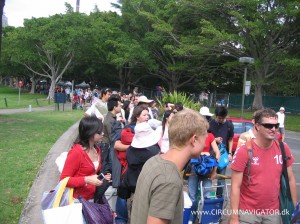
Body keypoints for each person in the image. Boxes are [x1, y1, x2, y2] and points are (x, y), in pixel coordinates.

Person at [131, 109, 208, 224]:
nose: (205, 144)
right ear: (194, 140)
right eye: (204, 139)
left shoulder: (154, 161)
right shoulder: (169, 180)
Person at [230, 108, 297, 224]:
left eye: (276, 126)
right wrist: (234, 218)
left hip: (273, 214)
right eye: (268, 126)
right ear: (257, 126)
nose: (273, 129)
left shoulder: (283, 148)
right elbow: (235, 186)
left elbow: (291, 180)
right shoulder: (244, 150)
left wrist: (295, 212)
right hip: (247, 213)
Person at [60, 116, 111, 201]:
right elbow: (63, 180)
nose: (102, 134)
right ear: (90, 133)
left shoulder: (97, 149)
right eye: (99, 132)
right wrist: (86, 179)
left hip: (92, 197)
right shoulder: (76, 153)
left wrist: (101, 177)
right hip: (77, 201)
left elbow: (92, 172)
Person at [188, 107, 220, 223]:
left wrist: (214, 171)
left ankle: (204, 218)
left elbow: (217, 153)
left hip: (207, 168)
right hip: (195, 167)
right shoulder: (193, 134)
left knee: (206, 195)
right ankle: (192, 216)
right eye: (203, 118)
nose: (205, 120)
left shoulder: (210, 136)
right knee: (192, 195)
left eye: (206, 118)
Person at [208, 106, 234, 197]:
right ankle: (207, 195)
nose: (221, 120)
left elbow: (230, 139)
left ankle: (219, 197)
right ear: (216, 116)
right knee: (208, 176)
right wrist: (215, 139)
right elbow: (205, 137)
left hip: (223, 155)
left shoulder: (229, 125)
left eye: (223, 118)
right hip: (211, 155)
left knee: (221, 177)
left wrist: (230, 153)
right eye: (219, 118)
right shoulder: (210, 124)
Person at [101, 94, 122, 173]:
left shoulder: (111, 117)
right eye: (119, 105)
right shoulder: (110, 120)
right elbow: (112, 137)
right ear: (114, 107)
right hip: (106, 146)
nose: (120, 107)